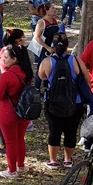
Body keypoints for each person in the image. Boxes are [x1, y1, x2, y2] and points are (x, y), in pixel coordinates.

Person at [37, 33, 89, 168]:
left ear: (53, 46)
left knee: (54, 131)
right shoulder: (76, 61)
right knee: (71, 131)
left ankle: (53, 160)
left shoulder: (47, 62)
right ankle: (68, 159)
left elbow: (41, 76)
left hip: (53, 102)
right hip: (74, 102)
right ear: (68, 46)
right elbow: (87, 80)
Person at [0, 44, 35, 178]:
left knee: (10, 142)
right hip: (24, 111)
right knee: (20, 139)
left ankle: (11, 170)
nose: (3, 60)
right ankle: (21, 165)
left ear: (14, 59)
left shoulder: (7, 76)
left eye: (6, 57)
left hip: (8, 112)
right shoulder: (27, 73)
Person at [31, 3, 60, 87]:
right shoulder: (42, 22)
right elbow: (37, 37)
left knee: (51, 68)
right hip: (43, 49)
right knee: (41, 69)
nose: (55, 10)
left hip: (53, 48)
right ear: (47, 11)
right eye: (52, 8)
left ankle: (47, 87)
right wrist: (47, 47)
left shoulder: (54, 21)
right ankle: (37, 88)